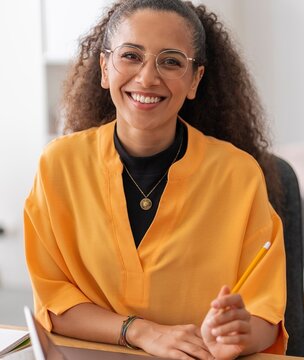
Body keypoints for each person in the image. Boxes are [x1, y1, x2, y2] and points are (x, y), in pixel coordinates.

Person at [24, 1, 287, 359]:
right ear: (104, 68)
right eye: (131, 56)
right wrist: (142, 332)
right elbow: (53, 302)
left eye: (171, 61)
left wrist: (238, 335)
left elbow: (264, 317)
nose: (148, 77)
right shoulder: (59, 166)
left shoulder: (238, 175)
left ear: (195, 80)